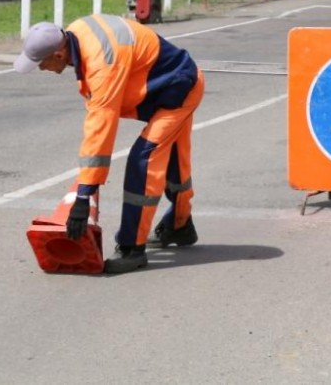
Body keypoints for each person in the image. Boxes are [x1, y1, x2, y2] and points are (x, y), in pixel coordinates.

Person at [14, 15, 205, 274]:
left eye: (40, 63)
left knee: (144, 160)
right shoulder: (77, 33)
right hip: (168, 83)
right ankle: (181, 227)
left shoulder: (102, 64)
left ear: (59, 54)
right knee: (173, 159)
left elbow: (100, 131)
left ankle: (132, 248)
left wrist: (84, 195)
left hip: (178, 90)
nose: (40, 68)